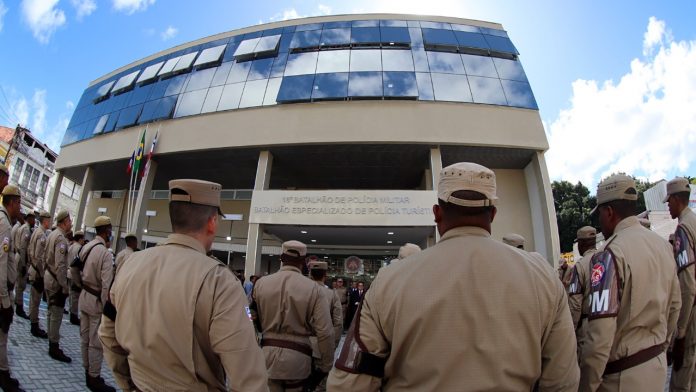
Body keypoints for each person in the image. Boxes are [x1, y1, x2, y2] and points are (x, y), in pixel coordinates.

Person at [328, 162, 579, 391]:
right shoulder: (541, 276)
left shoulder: (390, 279)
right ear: (492, 214)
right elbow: (562, 380)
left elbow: (350, 382)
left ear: (437, 213)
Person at [99, 179, 267, 391]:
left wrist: (128, 384)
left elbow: (107, 334)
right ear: (213, 222)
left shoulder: (130, 264)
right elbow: (248, 377)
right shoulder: (220, 282)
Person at [579, 174, 680, 391]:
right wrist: (660, 344)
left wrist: (587, 385)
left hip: (621, 377)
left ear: (609, 212)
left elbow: (599, 337)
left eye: (600, 215)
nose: (600, 223)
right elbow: (675, 305)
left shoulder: (608, 255)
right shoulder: (662, 247)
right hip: (656, 367)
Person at [251, 240, 334, 391]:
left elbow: (248, 314)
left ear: (281, 258)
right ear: (304, 261)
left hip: (266, 356)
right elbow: (325, 331)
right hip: (298, 360)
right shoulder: (314, 289)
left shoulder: (261, 284)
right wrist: (326, 365)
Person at [663, 177, 696, 391]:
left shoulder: (683, 230)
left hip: (692, 314)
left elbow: (688, 284)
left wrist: (680, 333)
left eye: (669, 201)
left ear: (676, 199)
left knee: (680, 382)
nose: (667, 206)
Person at [79, 216, 116, 392]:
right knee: (95, 342)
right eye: (110, 230)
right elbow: (106, 286)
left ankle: (87, 370)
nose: (111, 234)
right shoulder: (105, 254)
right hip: (95, 302)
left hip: (84, 296)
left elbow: (74, 268)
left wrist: (81, 286)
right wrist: (105, 307)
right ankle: (94, 377)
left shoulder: (86, 247)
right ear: (106, 231)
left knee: (84, 337)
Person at [0, 185, 23, 391]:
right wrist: (5, 301)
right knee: (2, 335)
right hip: (1, 291)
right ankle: (3, 374)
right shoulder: (5, 224)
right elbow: (1, 263)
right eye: (19, 202)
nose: (20, 207)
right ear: (13, 202)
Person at [308, 261, 343, 392]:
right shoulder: (331, 294)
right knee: (320, 385)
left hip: (299, 345)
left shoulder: (300, 291)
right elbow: (338, 323)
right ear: (325, 275)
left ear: (310, 274)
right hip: (321, 345)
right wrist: (333, 343)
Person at [44, 210, 73, 363]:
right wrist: (64, 285)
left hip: (49, 277)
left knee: (50, 311)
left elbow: (44, 257)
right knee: (56, 314)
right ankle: (54, 346)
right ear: (64, 222)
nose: (71, 223)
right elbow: (61, 265)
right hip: (56, 280)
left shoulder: (52, 234)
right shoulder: (61, 238)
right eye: (69, 220)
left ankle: (51, 341)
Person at [566, 226, 598, 361]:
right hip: (608, 321)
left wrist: (570, 331)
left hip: (587, 325)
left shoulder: (580, 267)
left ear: (582, 243)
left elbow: (575, 305)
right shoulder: (607, 258)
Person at [27, 211, 50, 339]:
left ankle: (33, 322)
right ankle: (34, 326)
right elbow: (39, 257)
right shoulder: (41, 234)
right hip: (37, 271)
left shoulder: (37, 231)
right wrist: (41, 274)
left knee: (33, 299)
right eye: (49, 220)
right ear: (45, 221)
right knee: (35, 300)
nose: (50, 222)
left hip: (33, 269)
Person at [14, 212, 33, 320]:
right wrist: (23, 264)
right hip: (21, 258)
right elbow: (23, 248)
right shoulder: (26, 229)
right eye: (33, 219)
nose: (34, 221)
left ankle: (18, 303)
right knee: (21, 285)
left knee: (19, 284)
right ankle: (19, 307)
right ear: (29, 219)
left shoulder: (22, 227)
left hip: (18, 256)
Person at [67, 230, 86, 326]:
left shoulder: (71, 246)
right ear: (80, 239)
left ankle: (72, 312)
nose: (83, 241)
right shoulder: (79, 248)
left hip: (69, 272)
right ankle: (73, 315)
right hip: (75, 273)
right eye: (83, 239)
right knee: (75, 295)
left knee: (71, 294)